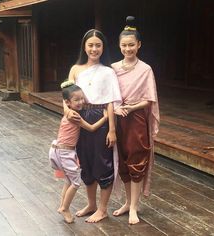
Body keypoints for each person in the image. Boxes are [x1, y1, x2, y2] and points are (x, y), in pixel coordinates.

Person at [64, 29, 122, 223]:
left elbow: (111, 102)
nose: (94, 49)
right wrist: (66, 110)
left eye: (98, 45)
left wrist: (112, 130)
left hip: (101, 116)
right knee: (86, 162)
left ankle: (103, 208)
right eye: (90, 45)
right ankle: (91, 204)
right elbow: (66, 95)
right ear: (84, 46)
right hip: (80, 117)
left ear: (103, 47)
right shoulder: (75, 69)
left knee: (102, 162)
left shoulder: (108, 72)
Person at [111, 16, 160, 225]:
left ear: (139, 45)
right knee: (122, 160)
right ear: (119, 45)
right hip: (118, 118)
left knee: (137, 161)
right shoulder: (112, 68)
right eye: (124, 45)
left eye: (132, 45)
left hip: (137, 119)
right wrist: (117, 107)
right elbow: (110, 96)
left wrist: (132, 106)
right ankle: (127, 203)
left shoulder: (145, 69)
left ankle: (134, 207)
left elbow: (150, 99)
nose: (128, 48)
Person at [49, 81, 108, 224]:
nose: (81, 102)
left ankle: (62, 206)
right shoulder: (74, 116)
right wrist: (105, 118)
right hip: (65, 152)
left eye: (82, 98)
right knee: (75, 183)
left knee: (68, 180)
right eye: (76, 100)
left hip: (57, 149)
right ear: (68, 102)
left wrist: (83, 101)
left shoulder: (69, 111)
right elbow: (92, 128)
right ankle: (65, 208)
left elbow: (74, 100)